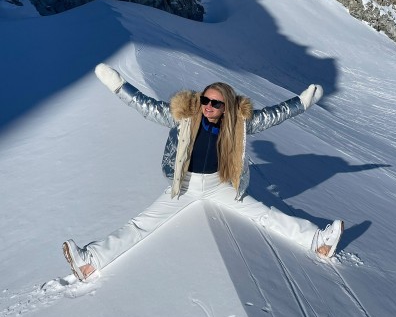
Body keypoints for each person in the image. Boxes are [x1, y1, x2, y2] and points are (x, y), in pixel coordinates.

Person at [63, 63, 344, 281]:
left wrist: (302, 102)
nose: (208, 106)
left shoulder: (239, 123)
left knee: (264, 215)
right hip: (184, 185)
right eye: (204, 100)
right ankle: (90, 262)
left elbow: (273, 115)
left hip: (219, 185)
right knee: (141, 225)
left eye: (215, 103)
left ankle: (318, 241)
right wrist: (117, 84)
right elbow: (145, 105)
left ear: (227, 107)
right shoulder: (184, 116)